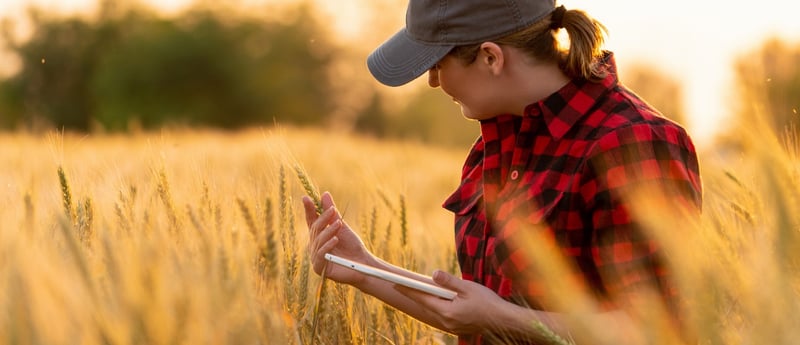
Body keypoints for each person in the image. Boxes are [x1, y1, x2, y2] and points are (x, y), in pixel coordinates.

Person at [303, 0, 702, 344]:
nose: (432, 81)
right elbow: (472, 311)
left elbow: (658, 330)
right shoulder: (492, 148)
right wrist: (362, 267)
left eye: (438, 63)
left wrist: (501, 318)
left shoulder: (630, 144)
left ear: (491, 57)